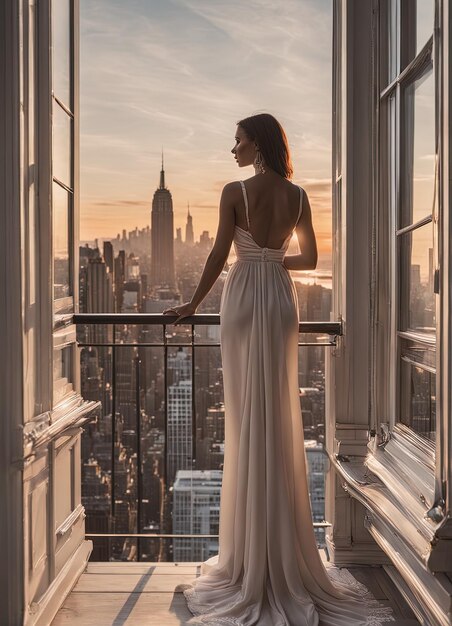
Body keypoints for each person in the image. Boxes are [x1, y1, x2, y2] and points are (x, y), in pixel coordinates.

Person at [163, 113, 393, 625]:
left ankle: (248, 558)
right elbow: (310, 258)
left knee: (247, 420)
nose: (233, 149)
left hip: (243, 299)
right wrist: (272, 260)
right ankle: (283, 555)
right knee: (279, 413)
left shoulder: (234, 192)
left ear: (258, 144)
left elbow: (219, 255)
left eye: (239, 140)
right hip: (280, 302)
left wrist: (191, 304)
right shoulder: (299, 197)